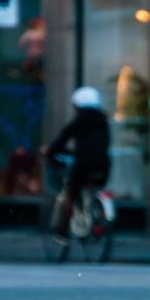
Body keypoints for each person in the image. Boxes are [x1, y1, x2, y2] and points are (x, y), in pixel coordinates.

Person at [47, 87, 112, 238]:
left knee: (70, 194)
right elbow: (98, 145)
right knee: (94, 188)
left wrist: (51, 153)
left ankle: (62, 232)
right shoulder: (103, 121)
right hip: (103, 165)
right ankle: (97, 219)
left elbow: (62, 140)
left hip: (83, 164)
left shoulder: (79, 121)